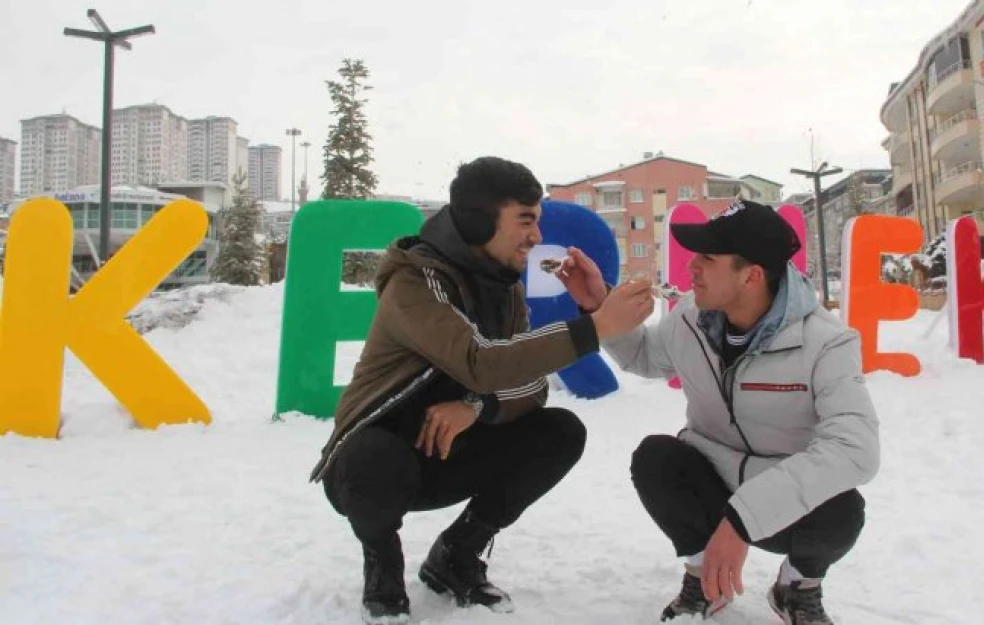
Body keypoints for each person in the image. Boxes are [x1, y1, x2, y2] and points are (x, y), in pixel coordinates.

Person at [308, 156, 654, 624]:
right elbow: (480, 360)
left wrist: (476, 407)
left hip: (450, 450)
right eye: (525, 221)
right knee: (372, 457)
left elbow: (529, 383)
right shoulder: (415, 280)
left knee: (559, 431)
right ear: (478, 222)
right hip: (378, 461)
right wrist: (593, 328)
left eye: (539, 220)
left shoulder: (504, 283)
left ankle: (455, 554)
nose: (536, 236)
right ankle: (383, 570)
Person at [554, 199, 880, 624]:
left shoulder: (826, 341)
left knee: (843, 510)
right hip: (712, 473)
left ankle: (797, 586)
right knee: (657, 458)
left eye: (708, 258)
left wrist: (744, 518)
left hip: (782, 495)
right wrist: (599, 305)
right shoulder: (692, 317)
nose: (692, 267)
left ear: (752, 275)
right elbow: (646, 358)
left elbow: (856, 449)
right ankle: (703, 577)